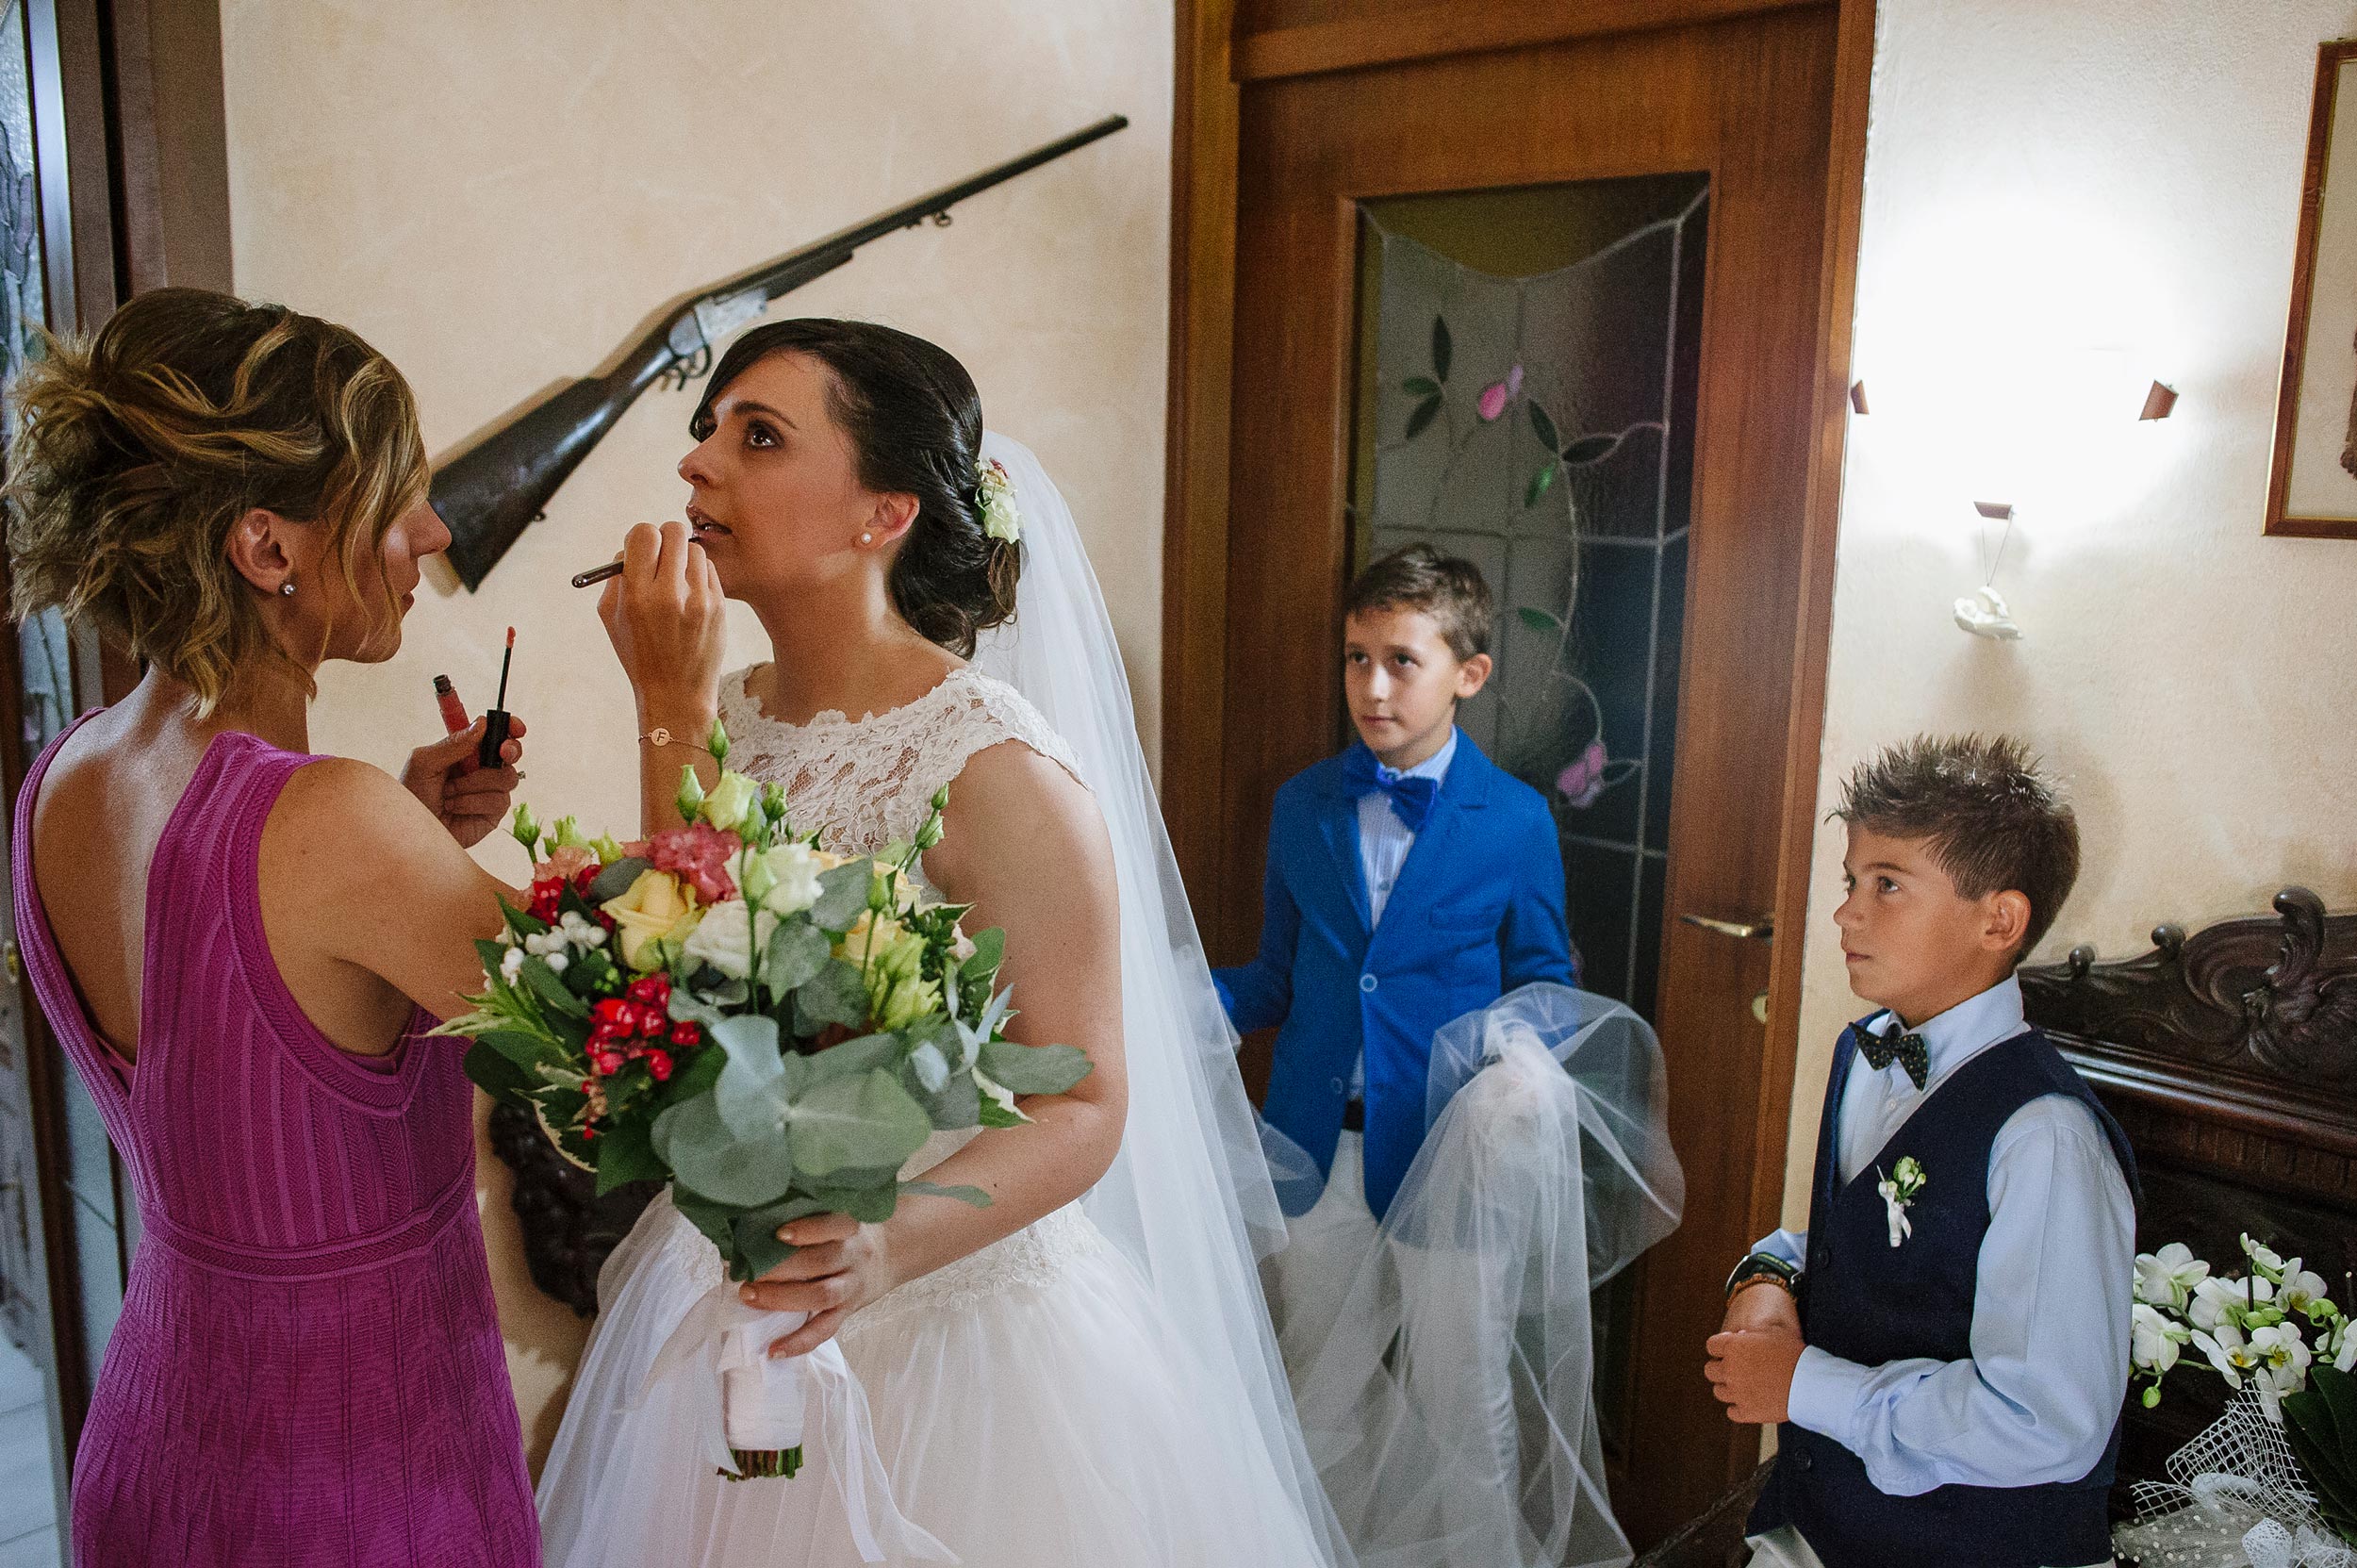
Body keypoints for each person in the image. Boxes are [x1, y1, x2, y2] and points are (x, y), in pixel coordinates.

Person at [536, 318, 1351, 1567]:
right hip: (740, 1298)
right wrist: (670, 709)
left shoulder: (993, 763)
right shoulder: (725, 711)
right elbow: (686, 994)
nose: (698, 463)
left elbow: (1085, 1100)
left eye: (760, 436)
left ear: (885, 514)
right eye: (706, 431)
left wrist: (889, 1243)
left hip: (951, 1337)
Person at [6, 287, 538, 1565]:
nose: (432, 530)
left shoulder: (66, 773)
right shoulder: (331, 825)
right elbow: (646, 1032)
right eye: (397, 495)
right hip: (358, 1483)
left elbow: (240, 998)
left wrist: (411, 834)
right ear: (266, 545)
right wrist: (672, 708)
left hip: (154, 1450)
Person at [1706, 734, 2136, 1568]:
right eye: (1851, 881)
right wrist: (1768, 1274)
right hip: (1821, 1524)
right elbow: (1879, 1252)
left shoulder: (2046, 1136)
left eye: (1888, 884)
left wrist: (1804, 1385)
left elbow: (2047, 1420)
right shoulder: (1862, 1049)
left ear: (1998, 920)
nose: (1846, 913)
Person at [1211, 542, 1576, 1365]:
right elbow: (1275, 978)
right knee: (1312, 1371)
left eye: (1402, 661)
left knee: (1463, 1383)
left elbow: (1546, 983)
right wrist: (1177, 998)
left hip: (1450, 1155)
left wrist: (1517, 1064)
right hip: (1311, 1147)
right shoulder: (1302, 805)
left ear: (1468, 674)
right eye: (1357, 658)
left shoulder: (1516, 820)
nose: (1372, 687)